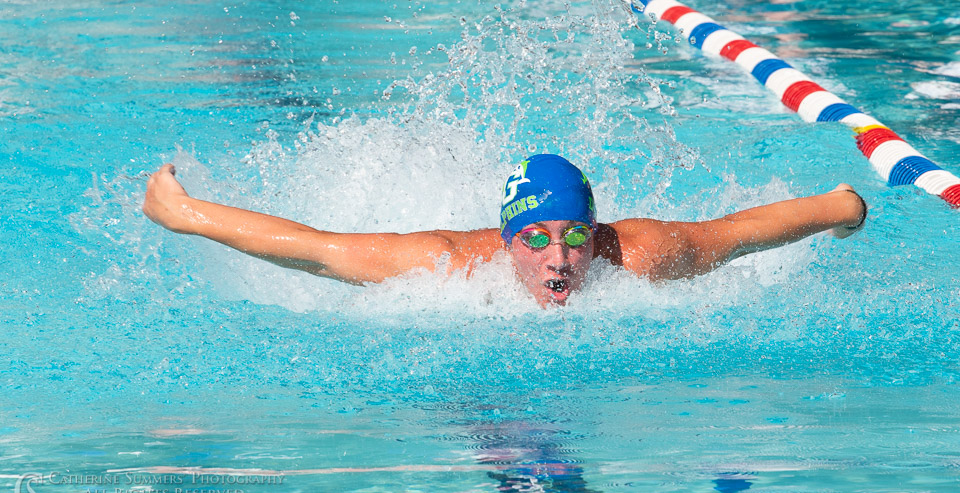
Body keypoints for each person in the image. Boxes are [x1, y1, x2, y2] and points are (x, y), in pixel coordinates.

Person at [142, 153, 866, 307]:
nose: (561, 260)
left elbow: (738, 232)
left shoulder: (637, 254)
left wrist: (842, 208)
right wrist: (185, 215)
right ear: (506, 238)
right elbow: (314, 249)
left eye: (577, 239)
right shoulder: (449, 266)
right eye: (537, 240)